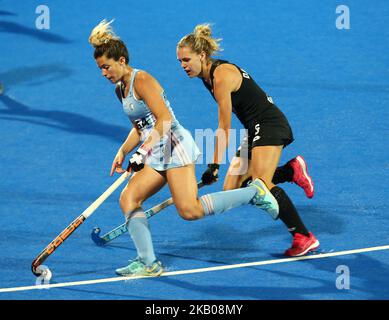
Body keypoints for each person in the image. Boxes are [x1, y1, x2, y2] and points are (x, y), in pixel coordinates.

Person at [89, 20, 281, 277]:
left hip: (173, 146)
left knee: (190, 211)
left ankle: (253, 193)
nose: (103, 72)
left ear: (121, 60)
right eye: (100, 68)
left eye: (106, 66)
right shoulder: (119, 90)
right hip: (155, 149)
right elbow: (140, 126)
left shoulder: (142, 79)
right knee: (129, 198)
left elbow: (164, 119)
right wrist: (124, 151)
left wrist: (142, 152)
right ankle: (148, 263)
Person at [176, 24, 319, 257]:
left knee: (261, 186)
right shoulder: (206, 75)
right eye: (180, 61)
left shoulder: (220, 77)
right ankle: (291, 171)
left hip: (270, 125)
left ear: (202, 55)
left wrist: (213, 166)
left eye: (186, 60)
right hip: (254, 129)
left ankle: (303, 236)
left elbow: (224, 127)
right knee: (234, 188)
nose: (183, 66)